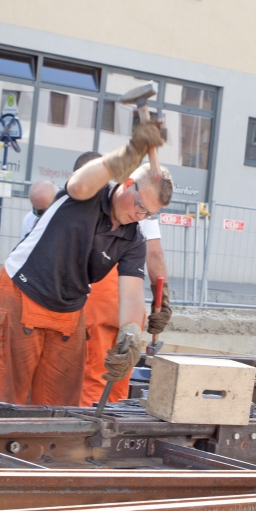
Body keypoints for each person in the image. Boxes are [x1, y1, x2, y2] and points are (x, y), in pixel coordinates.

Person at [0, 120, 172, 406]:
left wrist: (131, 333)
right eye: (140, 206)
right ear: (127, 183)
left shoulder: (132, 238)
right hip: (23, 295)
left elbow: (132, 294)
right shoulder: (89, 193)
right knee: (10, 397)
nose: (140, 215)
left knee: (60, 405)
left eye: (149, 213)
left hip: (69, 311)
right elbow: (83, 180)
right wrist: (133, 149)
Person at [73, 151, 172, 407]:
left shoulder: (121, 205)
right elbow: (155, 255)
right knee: (122, 368)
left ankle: (89, 429)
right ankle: (113, 425)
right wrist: (162, 299)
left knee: (96, 372)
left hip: (101, 294)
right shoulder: (145, 210)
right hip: (132, 300)